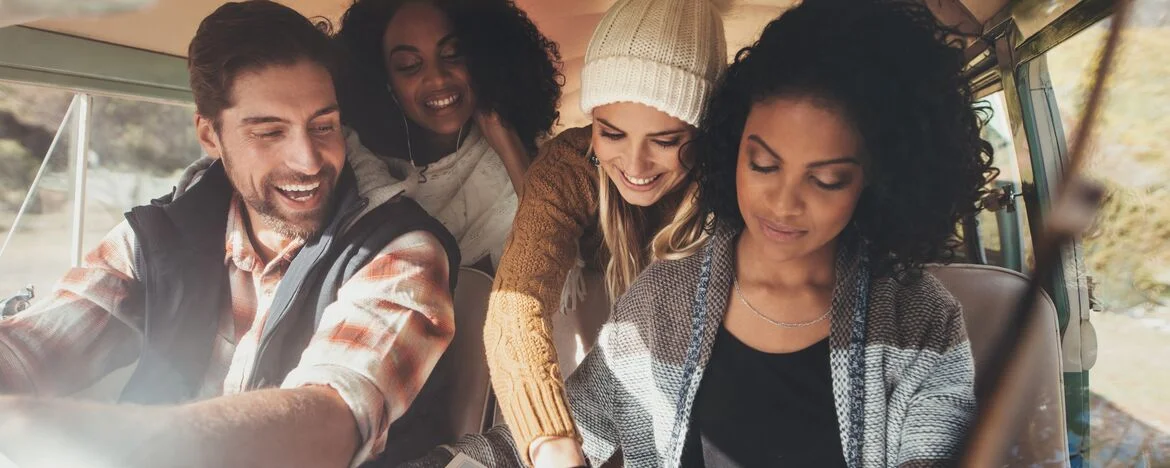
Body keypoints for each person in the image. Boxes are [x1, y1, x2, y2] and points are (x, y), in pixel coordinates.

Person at [404, 0, 994, 466]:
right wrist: (543, 445)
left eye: (828, 179)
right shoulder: (660, 302)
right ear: (734, 148)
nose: (783, 204)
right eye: (762, 165)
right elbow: (518, 322)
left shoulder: (920, 321)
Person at [0, 2, 460, 467]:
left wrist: (120, 446)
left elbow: (335, 414)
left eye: (323, 126)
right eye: (269, 132)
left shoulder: (402, 250)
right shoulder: (156, 238)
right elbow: (34, 345)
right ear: (210, 135)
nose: (308, 160)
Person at [481, 0, 730, 465]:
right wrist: (550, 442)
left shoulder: (730, 188)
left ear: (705, 133)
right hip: (586, 383)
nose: (635, 167)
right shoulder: (569, 166)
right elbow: (517, 304)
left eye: (666, 141)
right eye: (611, 133)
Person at [335, 0, 563, 270]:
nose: (438, 79)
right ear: (385, 82)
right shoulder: (361, 170)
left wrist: (506, 141)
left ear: (482, 59)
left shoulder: (536, 155)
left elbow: (561, 256)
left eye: (453, 53)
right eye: (409, 65)